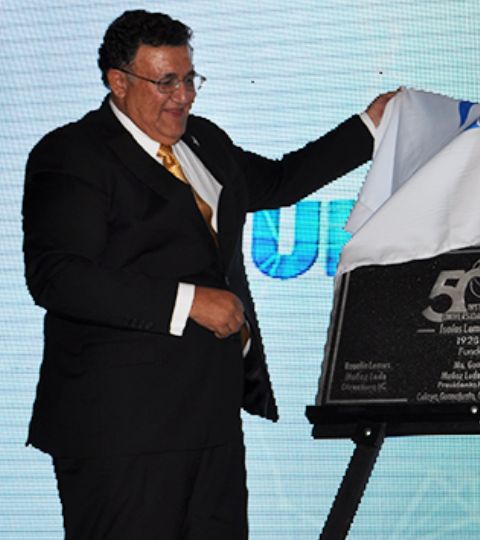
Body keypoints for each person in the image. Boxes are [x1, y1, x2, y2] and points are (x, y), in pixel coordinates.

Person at [21, 10, 393, 538]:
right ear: (118, 83)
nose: (184, 96)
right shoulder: (73, 154)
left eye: (190, 78)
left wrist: (371, 127)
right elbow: (58, 276)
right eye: (166, 82)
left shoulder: (204, 142)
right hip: (120, 431)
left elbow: (280, 181)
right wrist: (188, 301)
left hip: (212, 419)